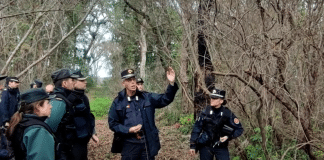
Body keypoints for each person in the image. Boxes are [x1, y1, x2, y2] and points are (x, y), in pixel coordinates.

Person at [109, 67, 179, 160]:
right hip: (129, 144)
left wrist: (171, 83)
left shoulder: (147, 97)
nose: (133, 82)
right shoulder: (118, 102)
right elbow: (113, 123)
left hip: (146, 142)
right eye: (129, 80)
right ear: (123, 83)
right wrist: (128, 129)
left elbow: (165, 99)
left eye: (133, 79)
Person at [189, 87, 244, 160]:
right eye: (212, 98)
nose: (212, 100)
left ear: (221, 101)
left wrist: (228, 137)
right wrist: (193, 145)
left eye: (215, 98)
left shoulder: (227, 113)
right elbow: (197, 128)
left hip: (221, 146)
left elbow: (239, 129)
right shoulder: (205, 112)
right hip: (206, 146)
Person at [6, 88, 54, 160]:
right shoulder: (37, 131)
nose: (51, 106)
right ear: (38, 106)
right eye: (48, 103)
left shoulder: (20, 123)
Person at [45, 68, 80, 159]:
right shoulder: (59, 101)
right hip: (60, 151)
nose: (74, 82)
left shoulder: (63, 98)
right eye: (72, 80)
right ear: (64, 83)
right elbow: (49, 128)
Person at [70, 70, 99, 160]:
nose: (85, 82)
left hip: (84, 139)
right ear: (73, 82)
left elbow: (88, 116)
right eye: (82, 81)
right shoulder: (68, 98)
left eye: (84, 80)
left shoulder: (84, 97)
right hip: (73, 142)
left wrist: (93, 133)